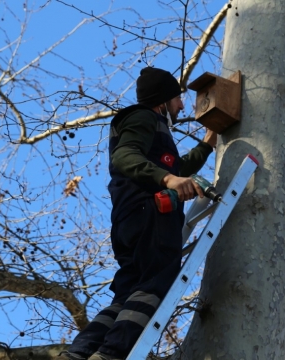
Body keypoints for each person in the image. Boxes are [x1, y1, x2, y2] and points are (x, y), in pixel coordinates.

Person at [58, 67, 216, 360]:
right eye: (177, 99)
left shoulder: (153, 130)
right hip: (151, 213)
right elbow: (125, 156)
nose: (182, 105)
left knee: (127, 294)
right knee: (154, 285)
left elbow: (173, 170)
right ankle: (110, 354)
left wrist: (206, 146)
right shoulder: (144, 118)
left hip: (132, 218)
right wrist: (169, 181)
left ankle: (78, 354)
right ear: (161, 101)